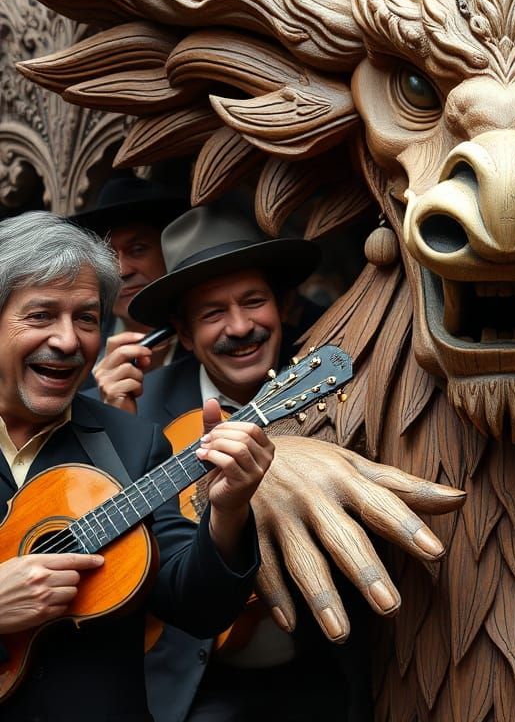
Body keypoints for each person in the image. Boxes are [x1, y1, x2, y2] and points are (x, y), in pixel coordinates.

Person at [0, 211, 272, 722]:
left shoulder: (129, 441)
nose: (68, 340)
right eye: (40, 316)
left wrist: (229, 511)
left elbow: (196, 607)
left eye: (86, 318)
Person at [97, 202, 353, 722]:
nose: (239, 327)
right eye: (213, 313)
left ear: (282, 306)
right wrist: (112, 434)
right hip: (190, 687)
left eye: (253, 302)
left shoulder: (338, 383)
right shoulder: (138, 407)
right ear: (184, 336)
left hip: (324, 672)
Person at [69, 174, 188, 383]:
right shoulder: (75, 350)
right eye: (108, 256)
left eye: (137, 250)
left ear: (169, 251)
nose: (122, 271)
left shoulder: (207, 344)